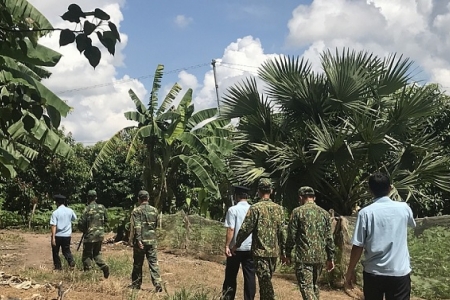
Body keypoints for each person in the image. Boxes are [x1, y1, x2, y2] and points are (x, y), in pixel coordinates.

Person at [345, 172, 416, 300]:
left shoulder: (365, 213)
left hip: (374, 272)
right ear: (390, 188)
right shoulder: (404, 208)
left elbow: (358, 246)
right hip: (399, 271)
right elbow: (411, 224)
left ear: (370, 190)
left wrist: (350, 271)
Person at [232, 178, 285, 300]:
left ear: (259, 192)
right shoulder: (279, 209)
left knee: (265, 283)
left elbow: (246, 229)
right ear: (271, 190)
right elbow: (282, 232)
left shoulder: (255, 208)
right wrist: (284, 252)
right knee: (266, 281)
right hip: (273, 253)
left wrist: (236, 244)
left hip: (260, 252)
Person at [284, 186, 335, 300]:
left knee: (306, 287)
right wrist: (330, 257)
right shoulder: (325, 214)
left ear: (301, 197)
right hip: (320, 257)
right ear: (314, 198)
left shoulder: (297, 212)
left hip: (304, 257)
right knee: (314, 286)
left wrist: (287, 253)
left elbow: (291, 236)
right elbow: (329, 238)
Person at [222, 186, 256, 300]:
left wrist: (227, 245)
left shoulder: (233, 210)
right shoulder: (253, 209)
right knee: (250, 276)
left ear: (236, 196)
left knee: (231, 276)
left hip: (235, 249)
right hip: (250, 248)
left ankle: (228, 297)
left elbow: (231, 229)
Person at [129, 190, 163, 292]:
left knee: (138, 264)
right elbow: (156, 225)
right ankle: (157, 283)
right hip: (152, 241)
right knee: (153, 263)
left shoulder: (136, 211)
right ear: (147, 198)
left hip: (141, 242)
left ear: (139, 199)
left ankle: (136, 284)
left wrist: (138, 240)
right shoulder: (155, 210)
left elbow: (137, 226)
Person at [77, 190, 109, 278]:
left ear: (88, 198)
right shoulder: (102, 207)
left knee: (87, 255)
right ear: (96, 197)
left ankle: (88, 274)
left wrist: (84, 229)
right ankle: (104, 266)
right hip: (100, 235)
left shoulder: (87, 209)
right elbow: (106, 220)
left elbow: (81, 223)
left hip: (90, 236)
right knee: (97, 254)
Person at [50, 194, 77, 270]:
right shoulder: (70, 211)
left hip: (58, 235)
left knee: (55, 252)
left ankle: (58, 267)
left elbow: (53, 225)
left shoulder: (55, 213)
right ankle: (71, 261)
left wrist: (53, 238)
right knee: (66, 251)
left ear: (57, 203)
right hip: (67, 235)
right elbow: (74, 218)